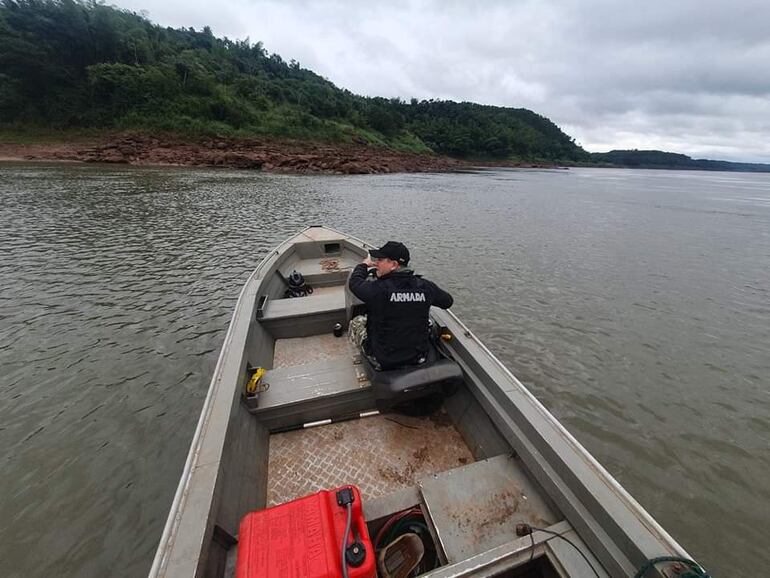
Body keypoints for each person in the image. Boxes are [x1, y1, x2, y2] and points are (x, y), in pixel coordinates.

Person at [348, 241, 453, 370]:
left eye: (380, 259)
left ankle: (369, 361)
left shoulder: (378, 290)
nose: (376, 263)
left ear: (393, 265)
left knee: (356, 322)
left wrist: (364, 265)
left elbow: (355, 283)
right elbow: (448, 301)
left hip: (384, 360)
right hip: (417, 356)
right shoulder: (425, 287)